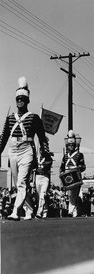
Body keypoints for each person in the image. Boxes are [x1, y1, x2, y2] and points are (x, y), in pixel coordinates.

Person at [0, 77, 50, 221]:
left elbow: (42, 137)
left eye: (22, 99)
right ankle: (29, 210)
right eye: (18, 99)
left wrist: (45, 153)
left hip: (27, 150)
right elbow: (3, 138)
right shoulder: (10, 118)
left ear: (27, 101)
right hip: (13, 150)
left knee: (21, 181)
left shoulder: (34, 118)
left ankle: (16, 211)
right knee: (19, 184)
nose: (20, 101)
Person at [60, 130, 86, 217]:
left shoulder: (80, 155)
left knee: (74, 194)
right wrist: (62, 173)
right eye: (69, 145)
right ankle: (73, 212)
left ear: (75, 145)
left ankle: (70, 211)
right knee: (70, 195)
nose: (70, 146)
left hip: (76, 176)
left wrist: (78, 169)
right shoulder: (65, 156)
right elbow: (62, 166)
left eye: (72, 145)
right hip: (67, 177)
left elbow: (83, 166)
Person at [35, 146, 53, 218]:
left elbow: (47, 166)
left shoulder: (48, 158)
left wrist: (41, 169)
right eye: (41, 150)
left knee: (43, 194)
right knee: (40, 196)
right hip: (37, 177)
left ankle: (39, 212)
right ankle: (45, 209)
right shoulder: (37, 158)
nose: (42, 151)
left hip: (45, 177)